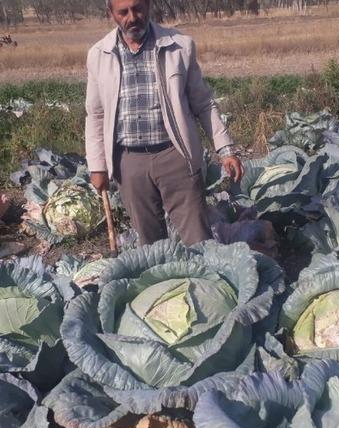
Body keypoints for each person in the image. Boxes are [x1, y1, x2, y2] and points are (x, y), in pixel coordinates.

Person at [85, 0, 244, 246]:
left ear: (148, 6)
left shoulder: (179, 46)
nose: (132, 17)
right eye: (123, 12)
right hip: (129, 162)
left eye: (138, 8)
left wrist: (225, 149)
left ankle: (204, 282)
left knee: (197, 238)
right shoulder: (99, 55)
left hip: (176, 155)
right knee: (150, 242)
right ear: (111, 14)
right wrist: (97, 166)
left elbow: (203, 103)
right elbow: (95, 115)